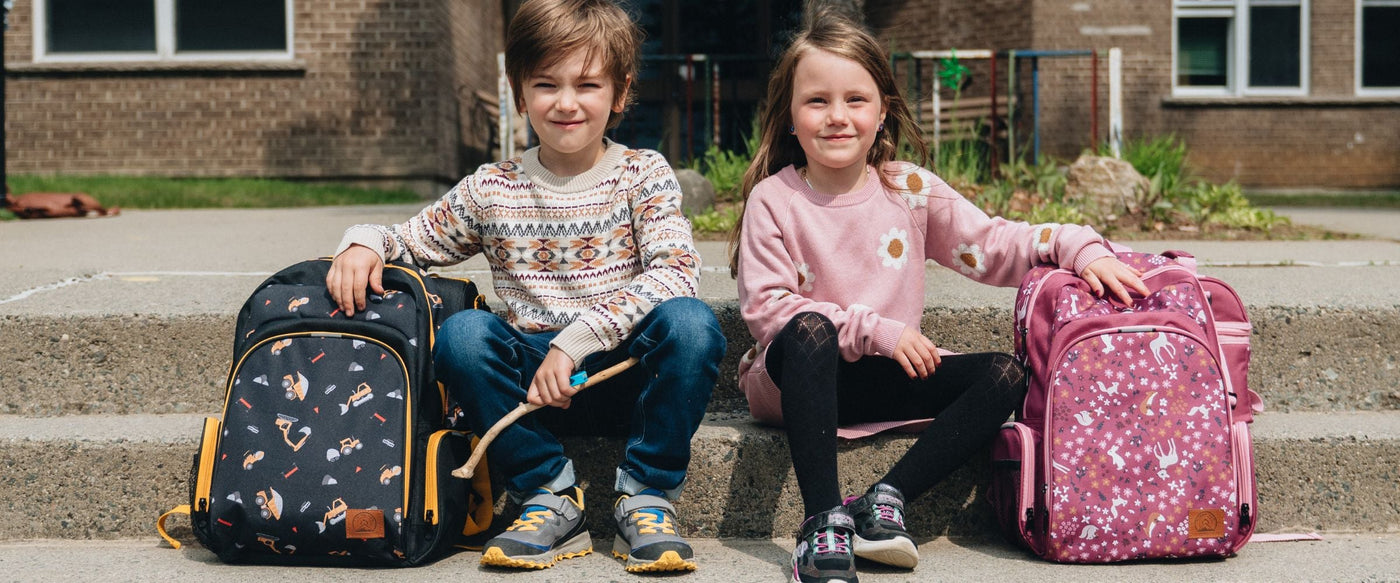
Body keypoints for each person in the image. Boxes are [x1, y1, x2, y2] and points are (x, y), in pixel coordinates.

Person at [729, 13, 1148, 583]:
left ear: (882, 112)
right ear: (790, 117)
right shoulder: (773, 200)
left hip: (880, 381)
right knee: (809, 330)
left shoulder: (910, 191)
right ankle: (823, 521)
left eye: (856, 99)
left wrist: (1079, 247)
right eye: (817, 102)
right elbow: (769, 313)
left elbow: (994, 244)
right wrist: (878, 329)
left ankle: (884, 500)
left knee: (1005, 374)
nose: (837, 117)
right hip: (794, 382)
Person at [326, 0, 724, 573]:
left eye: (587, 84)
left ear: (620, 92)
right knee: (463, 336)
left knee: (691, 324)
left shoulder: (643, 173)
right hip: (529, 394)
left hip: (625, 373)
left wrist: (577, 340)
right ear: (519, 93)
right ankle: (549, 492)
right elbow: (410, 239)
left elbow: (676, 270)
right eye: (546, 84)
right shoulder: (494, 188)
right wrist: (363, 241)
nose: (566, 102)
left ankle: (646, 495)